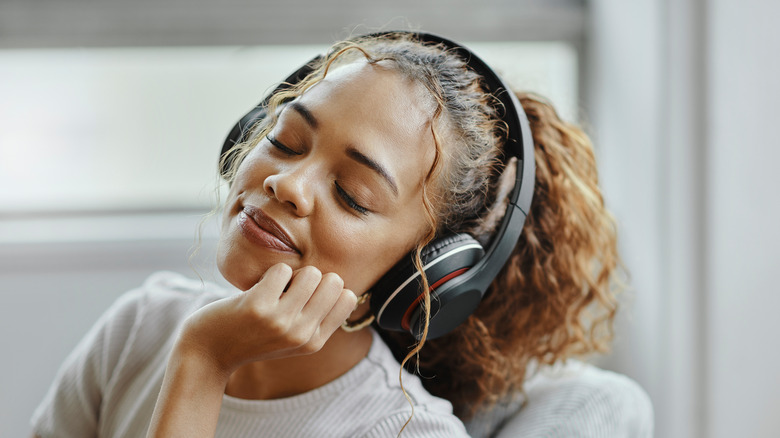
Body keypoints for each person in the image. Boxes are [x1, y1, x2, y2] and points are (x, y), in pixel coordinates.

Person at [31, 32, 650, 438]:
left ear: (425, 273)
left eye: (353, 195)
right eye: (284, 141)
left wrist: (203, 362)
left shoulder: (403, 433)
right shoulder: (140, 328)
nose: (289, 184)